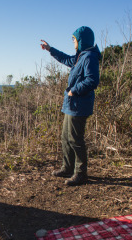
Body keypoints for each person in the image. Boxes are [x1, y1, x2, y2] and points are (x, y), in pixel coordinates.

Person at [41, 26, 101, 186]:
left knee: (75, 139)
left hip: (79, 106)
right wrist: (50, 49)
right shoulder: (81, 56)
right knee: (66, 138)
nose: (73, 42)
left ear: (82, 40)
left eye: (74, 39)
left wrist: (74, 90)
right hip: (71, 105)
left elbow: (92, 80)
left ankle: (80, 174)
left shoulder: (89, 57)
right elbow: (67, 60)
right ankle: (67, 168)